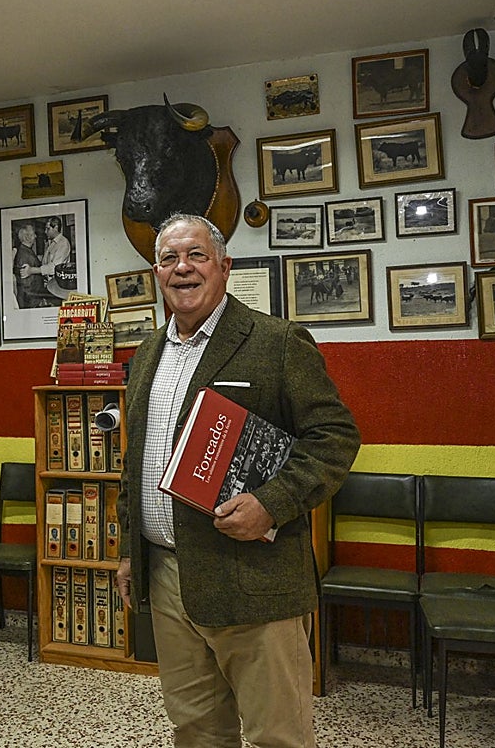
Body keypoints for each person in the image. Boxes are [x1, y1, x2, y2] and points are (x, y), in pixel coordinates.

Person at [115, 213, 360, 748]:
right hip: (169, 579)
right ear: (157, 272)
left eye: (196, 256)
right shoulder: (145, 356)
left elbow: (335, 438)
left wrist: (271, 504)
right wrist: (131, 549)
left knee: (278, 735)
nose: (183, 268)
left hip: (254, 579)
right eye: (169, 259)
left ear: (224, 266)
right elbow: (135, 464)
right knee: (197, 732)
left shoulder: (276, 342)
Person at [12, 221, 47, 308]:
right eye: (33, 234)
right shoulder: (25, 254)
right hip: (31, 301)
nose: (35, 236)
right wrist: (37, 300)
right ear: (27, 237)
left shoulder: (25, 250)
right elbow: (26, 284)